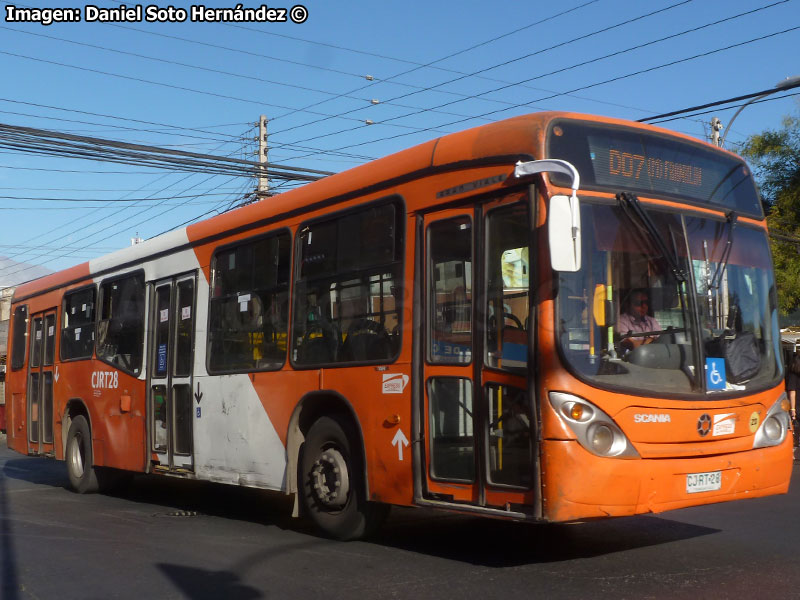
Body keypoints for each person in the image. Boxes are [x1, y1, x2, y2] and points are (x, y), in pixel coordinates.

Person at [786, 354, 800, 448]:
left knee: (796, 429)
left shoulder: (792, 375)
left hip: (797, 406)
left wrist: (792, 409)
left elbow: (792, 392)